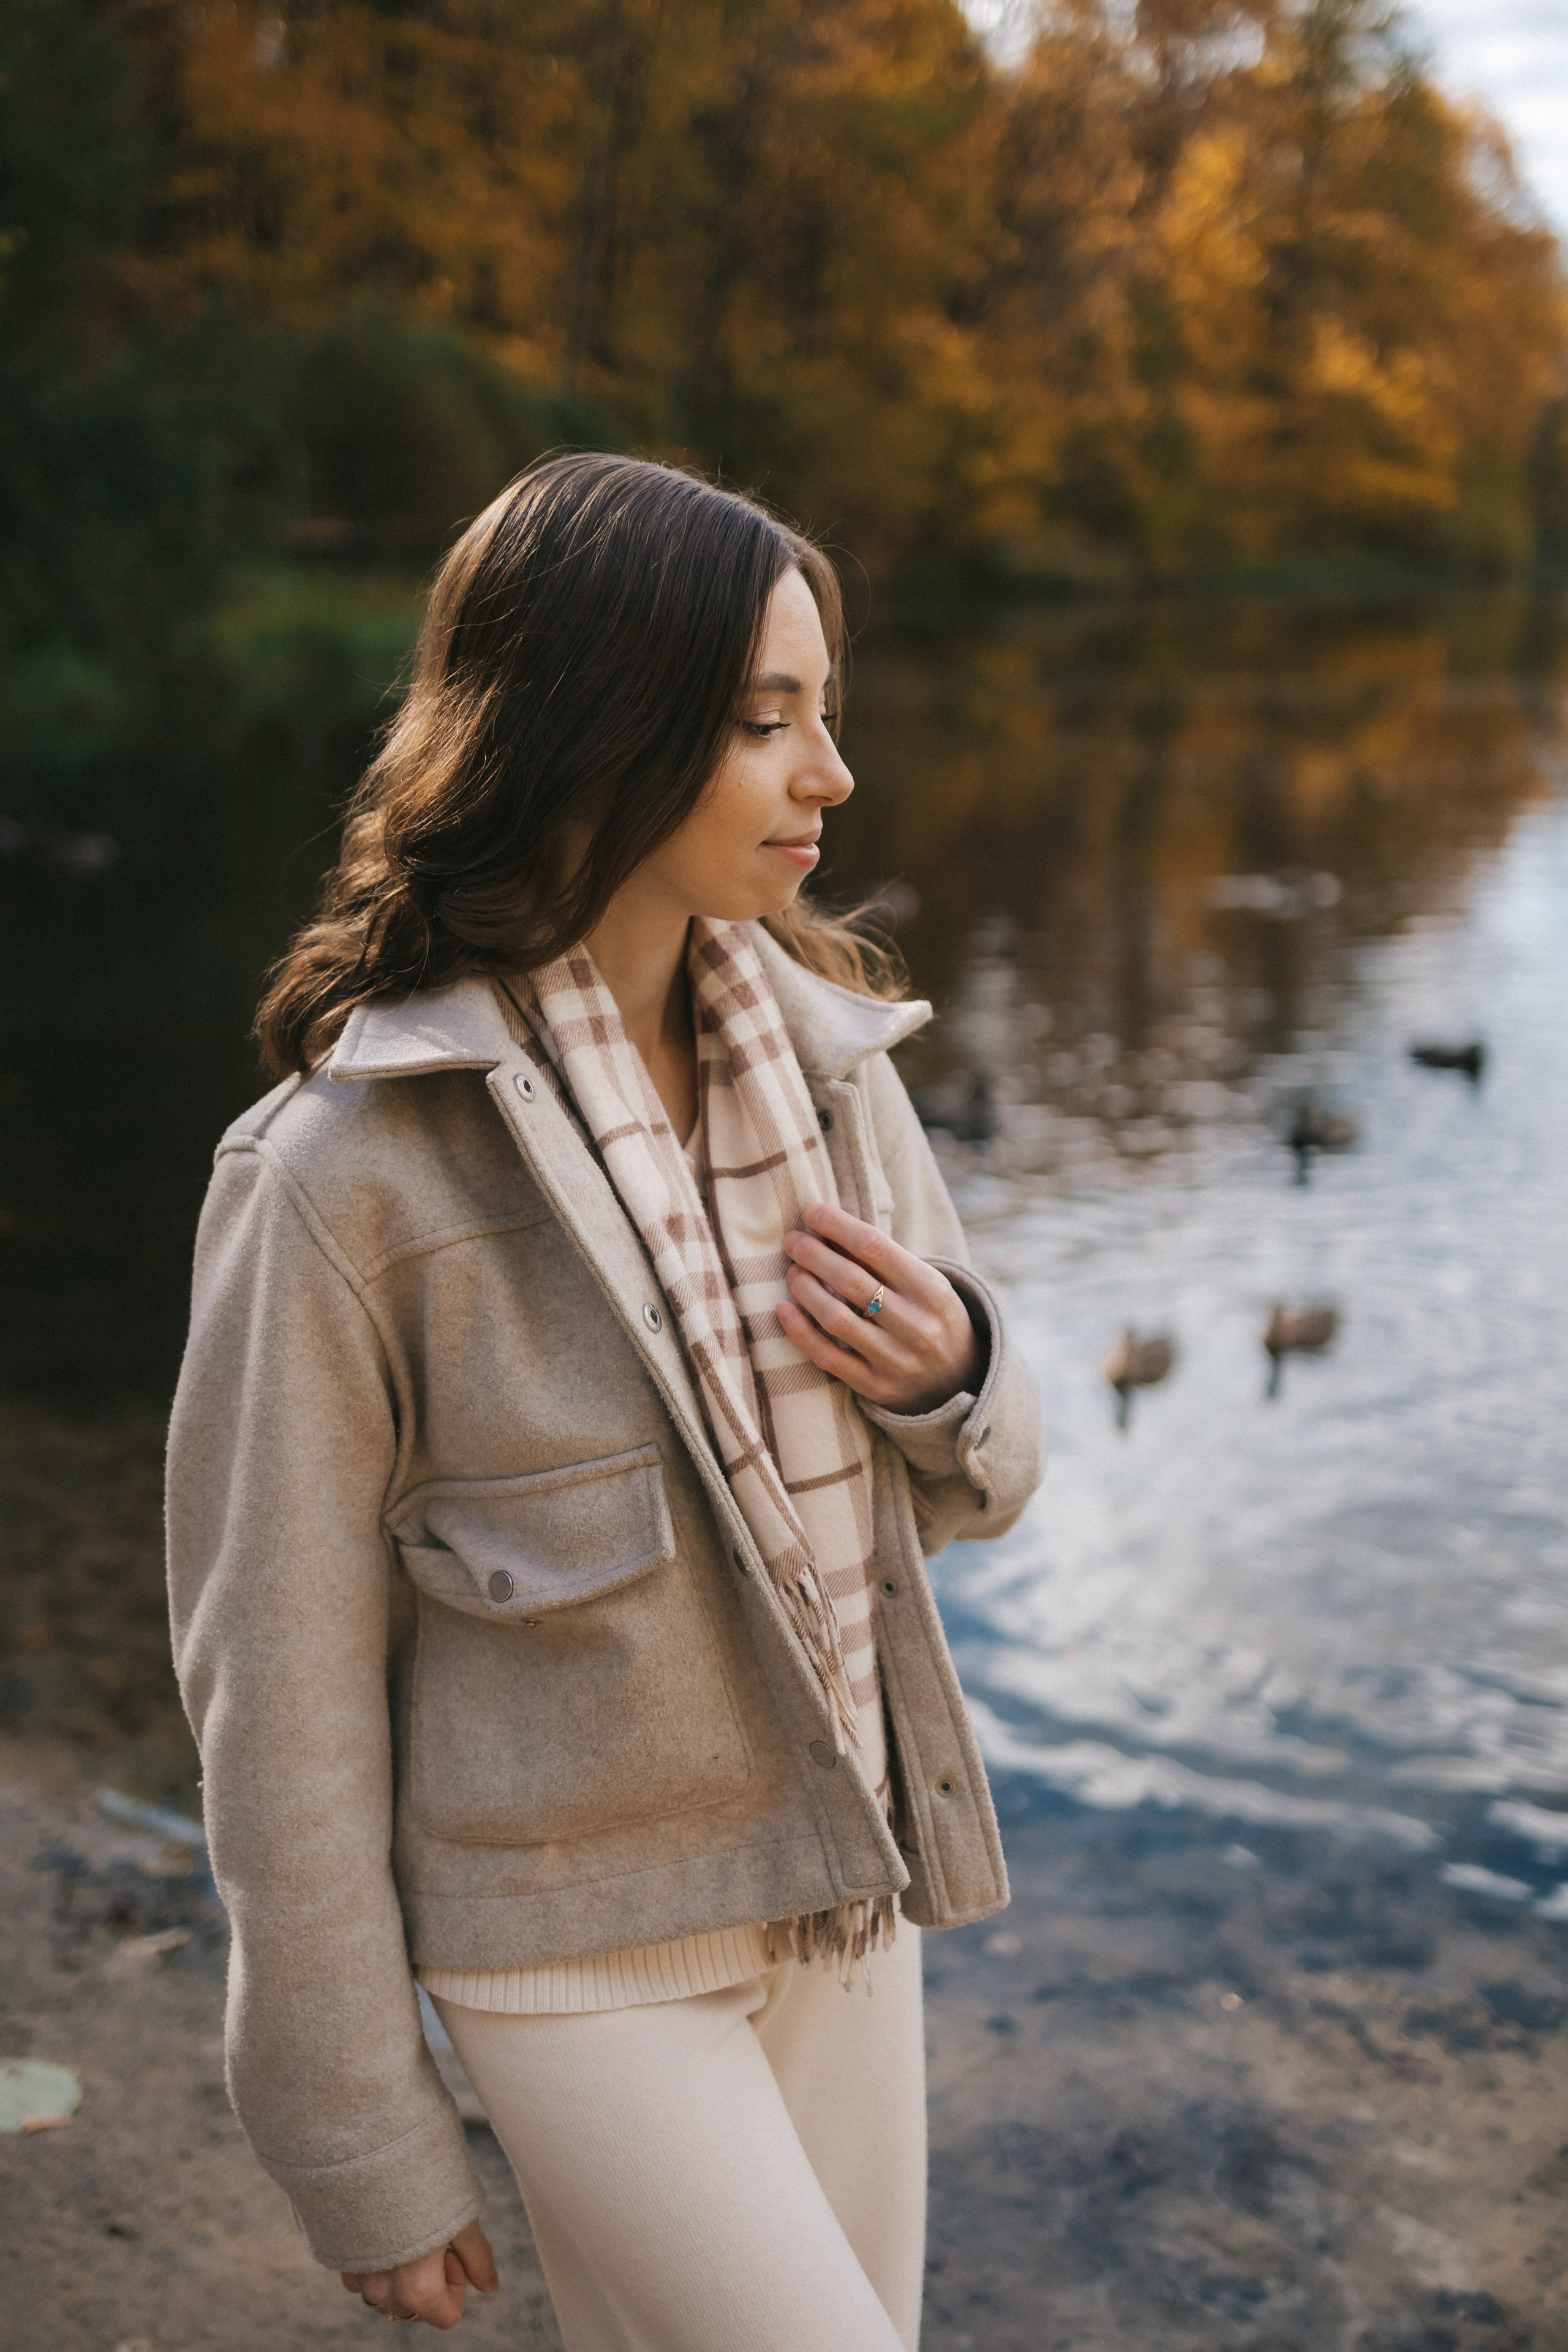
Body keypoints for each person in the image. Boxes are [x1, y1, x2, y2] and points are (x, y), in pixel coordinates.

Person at [165, 453, 1042, 2346]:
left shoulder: (835, 1074)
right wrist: (358, 2137)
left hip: (843, 1888)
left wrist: (955, 1380)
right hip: (576, 1958)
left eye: (825, 714)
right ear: (594, 736)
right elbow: (277, 1704)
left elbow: (992, 1485)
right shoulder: (337, 1176)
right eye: (766, 723)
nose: (833, 776)